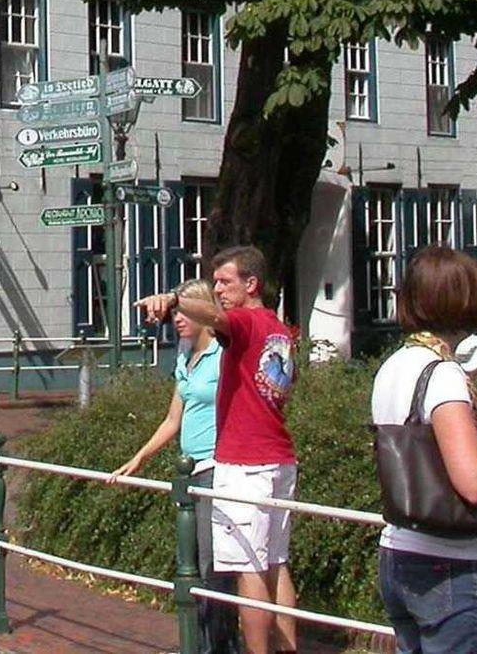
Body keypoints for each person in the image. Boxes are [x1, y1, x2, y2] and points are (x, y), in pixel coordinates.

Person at [142, 246, 299, 654]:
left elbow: (215, 318)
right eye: (214, 283)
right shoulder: (278, 329)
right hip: (279, 458)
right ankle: (288, 649)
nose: (218, 290)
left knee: (249, 568)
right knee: (276, 564)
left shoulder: (245, 321)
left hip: (245, 463)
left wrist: (174, 299)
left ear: (252, 284)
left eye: (226, 282)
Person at [371, 248, 477, 654]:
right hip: (449, 563)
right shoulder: (443, 374)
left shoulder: (393, 366)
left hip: (398, 551)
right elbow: (473, 483)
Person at [112, 279, 237, 654]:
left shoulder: (223, 354)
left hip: (216, 467)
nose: (178, 319)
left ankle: (219, 646)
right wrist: (140, 457)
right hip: (190, 470)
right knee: (193, 563)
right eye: (175, 314)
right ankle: (200, 642)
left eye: (185, 312)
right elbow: (173, 418)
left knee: (214, 566)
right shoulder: (185, 356)